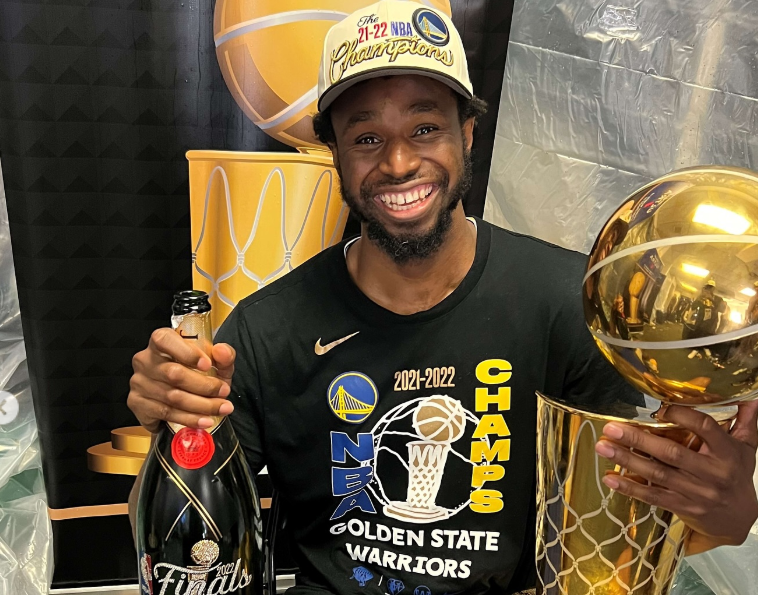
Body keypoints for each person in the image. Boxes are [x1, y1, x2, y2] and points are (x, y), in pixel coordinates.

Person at [127, 2, 758, 594]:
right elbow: (176, 528)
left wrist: (727, 515)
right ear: (335, 154)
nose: (399, 162)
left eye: (425, 127)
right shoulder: (267, 328)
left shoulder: (566, 305)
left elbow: (617, 532)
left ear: (467, 134)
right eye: (366, 138)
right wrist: (168, 421)